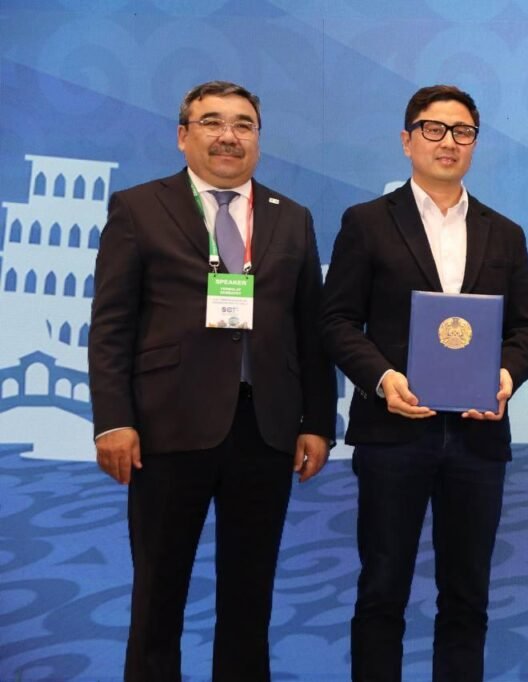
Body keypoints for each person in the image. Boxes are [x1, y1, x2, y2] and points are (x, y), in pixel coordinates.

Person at [88, 80, 337, 681]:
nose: (229, 136)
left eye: (243, 124)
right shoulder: (138, 207)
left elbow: (311, 329)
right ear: (183, 136)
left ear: (258, 139)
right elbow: (112, 324)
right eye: (212, 122)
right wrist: (113, 420)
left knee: (251, 598)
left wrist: (318, 422)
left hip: (266, 429)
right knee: (158, 593)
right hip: (166, 429)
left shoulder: (292, 217)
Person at [319, 84, 528, 681]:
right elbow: (336, 320)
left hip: (477, 438)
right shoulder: (367, 223)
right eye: (433, 128)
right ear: (407, 140)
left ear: (475, 143)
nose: (449, 141)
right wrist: (382, 378)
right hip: (393, 434)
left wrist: (504, 376)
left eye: (462, 131)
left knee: (468, 597)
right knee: (382, 590)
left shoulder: (504, 232)